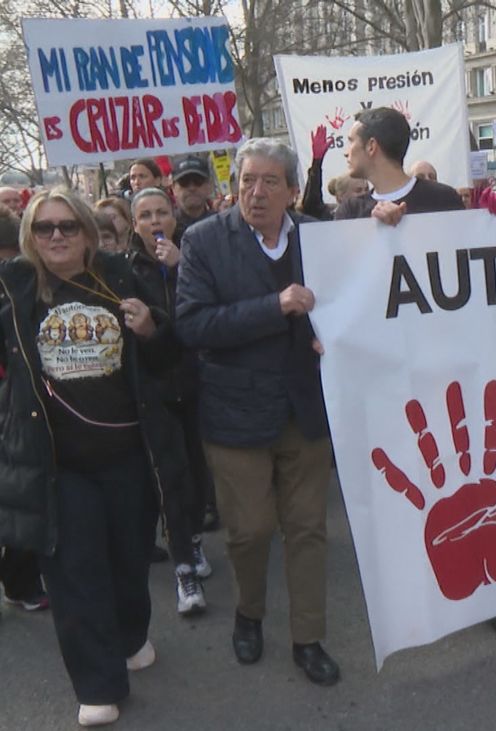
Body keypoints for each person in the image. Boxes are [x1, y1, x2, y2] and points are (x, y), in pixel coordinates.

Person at [0, 187, 187, 727]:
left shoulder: (120, 277)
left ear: (86, 231)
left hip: (129, 454)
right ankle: (97, 683)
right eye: (44, 229)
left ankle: (130, 637)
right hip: (58, 464)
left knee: (130, 559)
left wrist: (151, 330)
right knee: (75, 574)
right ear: (29, 238)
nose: (55, 237)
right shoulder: (16, 290)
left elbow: (170, 357)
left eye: (67, 227)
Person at [175, 138, 340, 686]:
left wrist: (386, 217)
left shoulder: (322, 238)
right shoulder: (202, 241)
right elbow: (194, 325)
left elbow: (360, 297)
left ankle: (308, 637)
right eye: (248, 180)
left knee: (308, 530)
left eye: (271, 181)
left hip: (306, 410)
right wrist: (275, 307)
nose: (257, 191)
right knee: (249, 531)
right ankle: (249, 613)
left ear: (294, 190)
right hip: (236, 415)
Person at [129, 188, 215, 615]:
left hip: (196, 383)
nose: (154, 220)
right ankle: (183, 566)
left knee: (200, 473)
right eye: (145, 215)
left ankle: (195, 540)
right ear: (134, 224)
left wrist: (181, 269)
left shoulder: (192, 257)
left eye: (161, 211)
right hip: (155, 388)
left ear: (174, 216)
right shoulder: (126, 270)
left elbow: (202, 313)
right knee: (171, 475)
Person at [0, 206, 49, 614]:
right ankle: (20, 580)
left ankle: (20, 580)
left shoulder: (20, 285)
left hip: (15, 404)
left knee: (19, 492)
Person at [335, 107, 463, 221]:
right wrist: (371, 229)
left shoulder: (443, 199)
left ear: (371, 146)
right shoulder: (350, 211)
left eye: (351, 141)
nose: (346, 152)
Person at [170, 155, 215, 229]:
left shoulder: (222, 226)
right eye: (184, 182)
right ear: (173, 188)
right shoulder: (168, 227)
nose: (192, 188)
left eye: (198, 181)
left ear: (209, 186)